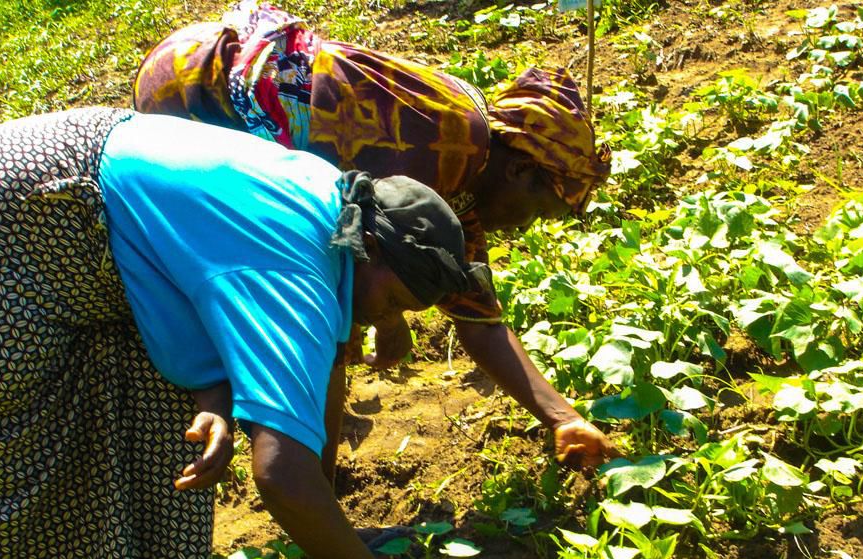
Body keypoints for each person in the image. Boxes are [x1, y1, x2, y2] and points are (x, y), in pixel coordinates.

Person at [0, 106, 480, 559]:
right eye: (392, 304)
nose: (381, 322)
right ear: (370, 252)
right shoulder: (305, 265)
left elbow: (196, 259)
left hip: (99, 236)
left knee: (182, 434)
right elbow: (282, 474)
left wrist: (212, 395)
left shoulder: (335, 209)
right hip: (15, 218)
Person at [133, 2, 620, 482]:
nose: (526, 228)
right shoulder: (439, 147)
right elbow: (333, 300)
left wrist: (564, 418)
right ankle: (309, 503)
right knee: (312, 317)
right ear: (520, 170)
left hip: (203, 59)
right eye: (539, 211)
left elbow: (477, 315)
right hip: (196, 93)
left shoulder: (470, 164)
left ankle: (309, 492)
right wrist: (379, 315)